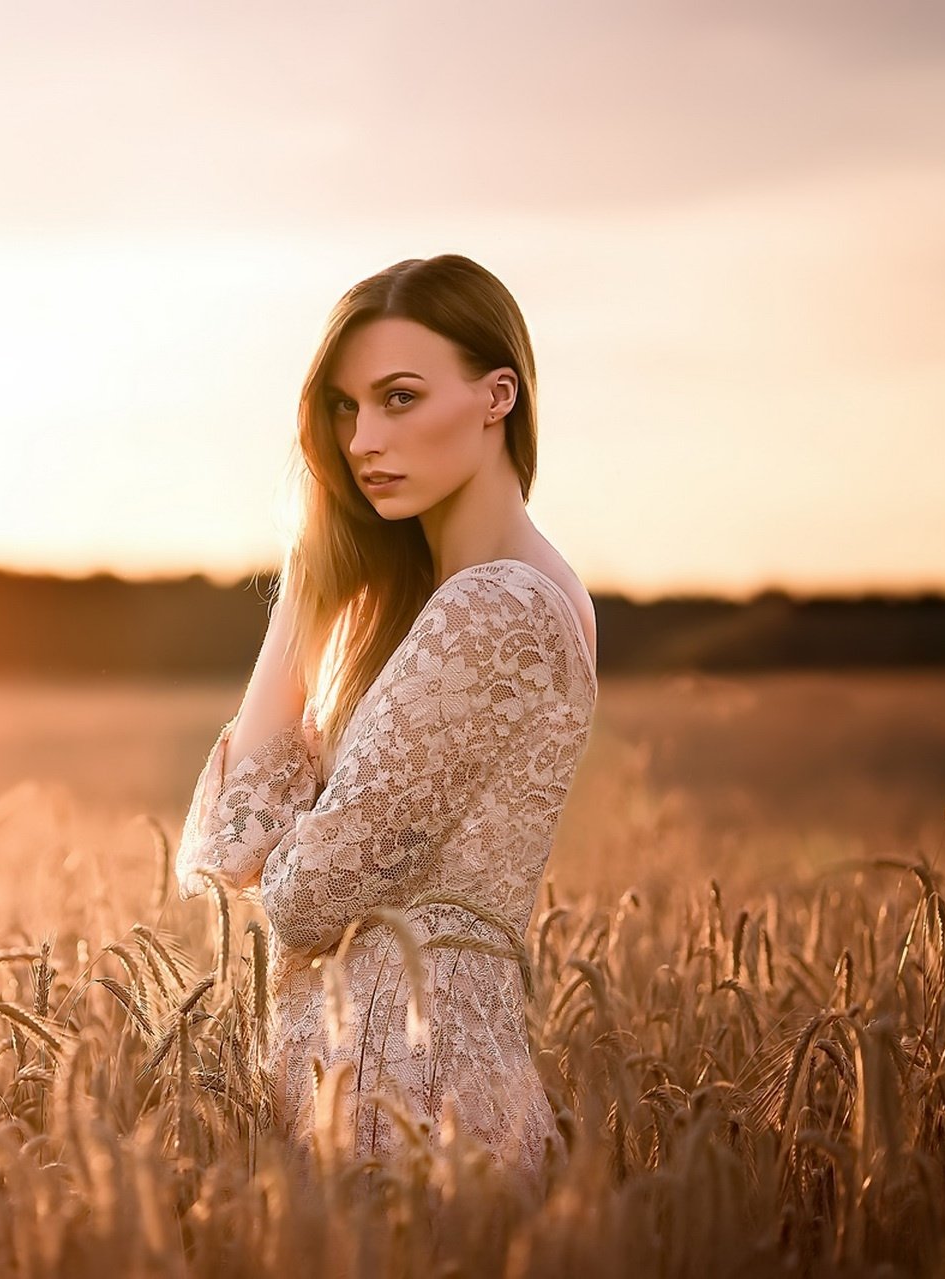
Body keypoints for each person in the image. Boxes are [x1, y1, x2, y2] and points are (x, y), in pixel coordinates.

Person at [174, 253, 599, 1193]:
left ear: (499, 395)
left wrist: (292, 847)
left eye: (400, 398)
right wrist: (312, 578)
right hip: (376, 1078)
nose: (364, 437)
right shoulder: (446, 606)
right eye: (345, 407)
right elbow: (229, 853)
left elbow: (292, 896)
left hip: (404, 1093)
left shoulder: (495, 607)